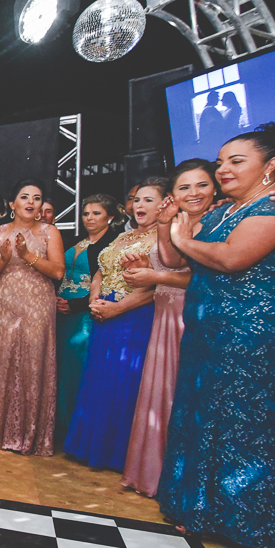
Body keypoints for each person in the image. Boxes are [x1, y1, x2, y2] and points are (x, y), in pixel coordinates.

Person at [157, 124, 275, 548]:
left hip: (252, 335)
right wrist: (170, 228)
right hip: (207, 334)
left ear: (270, 165)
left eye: (236, 161)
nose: (223, 170)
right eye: (220, 163)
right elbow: (175, 258)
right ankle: (200, 510)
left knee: (244, 423)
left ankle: (248, 524)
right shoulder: (222, 211)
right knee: (203, 414)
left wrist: (183, 238)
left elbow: (232, 258)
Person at [121, 163, 215, 496]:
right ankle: (155, 473)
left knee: (183, 395)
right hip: (165, 316)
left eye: (201, 185)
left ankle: (184, 481)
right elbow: (171, 262)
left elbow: (208, 275)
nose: (193, 193)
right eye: (184, 187)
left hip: (192, 316)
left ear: (214, 188)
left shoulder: (217, 222)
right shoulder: (174, 222)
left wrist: (155, 276)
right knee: (161, 395)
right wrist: (163, 228)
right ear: (173, 196)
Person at [63, 177, 168, 471]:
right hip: (103, 314)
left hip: (133, 317)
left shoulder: (165, 239)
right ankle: (89, 447)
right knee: (98, 380)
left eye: (148, 200)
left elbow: (156, 287)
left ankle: (116, 454)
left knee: (123, 382)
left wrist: (117, 308)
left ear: (164, 204)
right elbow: (100, 271)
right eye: (137, 200)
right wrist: (95, 299)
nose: (140, 205)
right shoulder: (124, 237)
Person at [0, 179, 65, 456]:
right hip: (4, 303)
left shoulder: (49, 232)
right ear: (12, 204)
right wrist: (3, 259)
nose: (31, 202)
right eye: (25, 197)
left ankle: (29, 433)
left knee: (32, 361)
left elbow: (58, 272)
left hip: (37, 304)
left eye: (37, 198)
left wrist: (27, 255)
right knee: (2, 361)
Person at [54, 195, 119, 439]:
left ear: (110, 217)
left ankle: (79, 431)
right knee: (59, 369)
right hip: (60, 314)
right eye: (86, 213)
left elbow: (109, 283)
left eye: (96, 213)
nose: (89, 218)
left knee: (79, 369)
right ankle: (59, 427)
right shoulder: (75, 240)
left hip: (85, 316)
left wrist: (76, 305)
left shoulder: (113, 244)